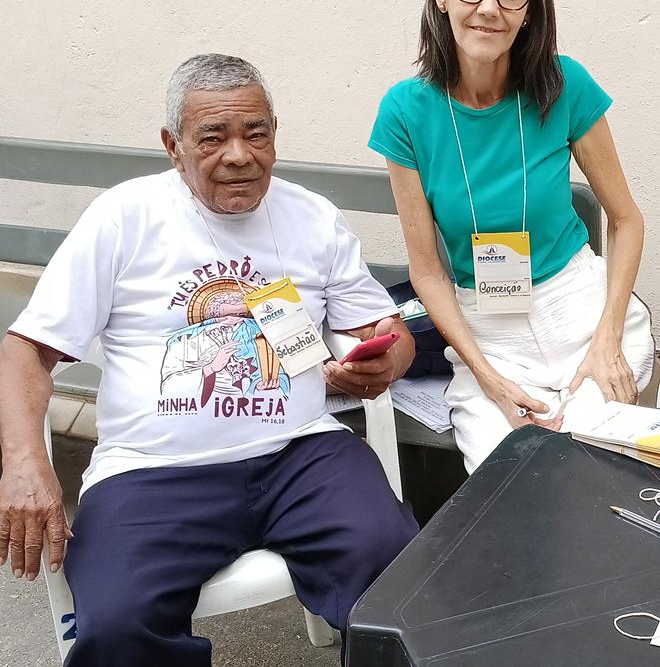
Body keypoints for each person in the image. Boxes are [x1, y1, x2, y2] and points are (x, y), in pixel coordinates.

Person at [0, 54, 419, 666]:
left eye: (256, 134)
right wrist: (24, 465)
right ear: (173, 146)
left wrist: (388, 359)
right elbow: (26, 349)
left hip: (301, 453)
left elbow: (382, 330)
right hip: (152, 470)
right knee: (116, 625)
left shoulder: (312, 216)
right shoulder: (124, 217)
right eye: (213, 137)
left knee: (399, 581)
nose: (239, 155)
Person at [369, 0, 654, 472]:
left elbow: (627, 220)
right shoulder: (405, 110)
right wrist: (486, 376)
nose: (489, 6)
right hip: (486, 333)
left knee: (591, 462)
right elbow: (427, 271)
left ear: (530, 8)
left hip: (581, 311)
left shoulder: (564, 84)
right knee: (507, 479)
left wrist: (607, 339)